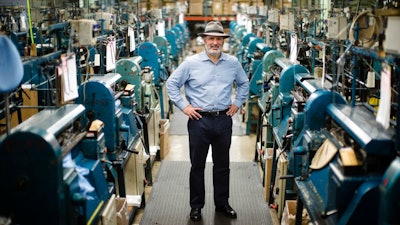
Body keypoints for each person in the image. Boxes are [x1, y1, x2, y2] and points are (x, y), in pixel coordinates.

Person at [166, 21, 249, 221]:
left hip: (223, 120)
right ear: (204, 40)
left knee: (222, 165)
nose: (214, 42)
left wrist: (237, 102)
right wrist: (184, 106)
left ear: (223, 41)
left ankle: (222, 203)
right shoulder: (190, 63)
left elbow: (244, 83)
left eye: (218, 39)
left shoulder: (232, 63)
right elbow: (172, 84)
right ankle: (196, 206)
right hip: (199, 121)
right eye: (211, 38)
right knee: (197, 166)